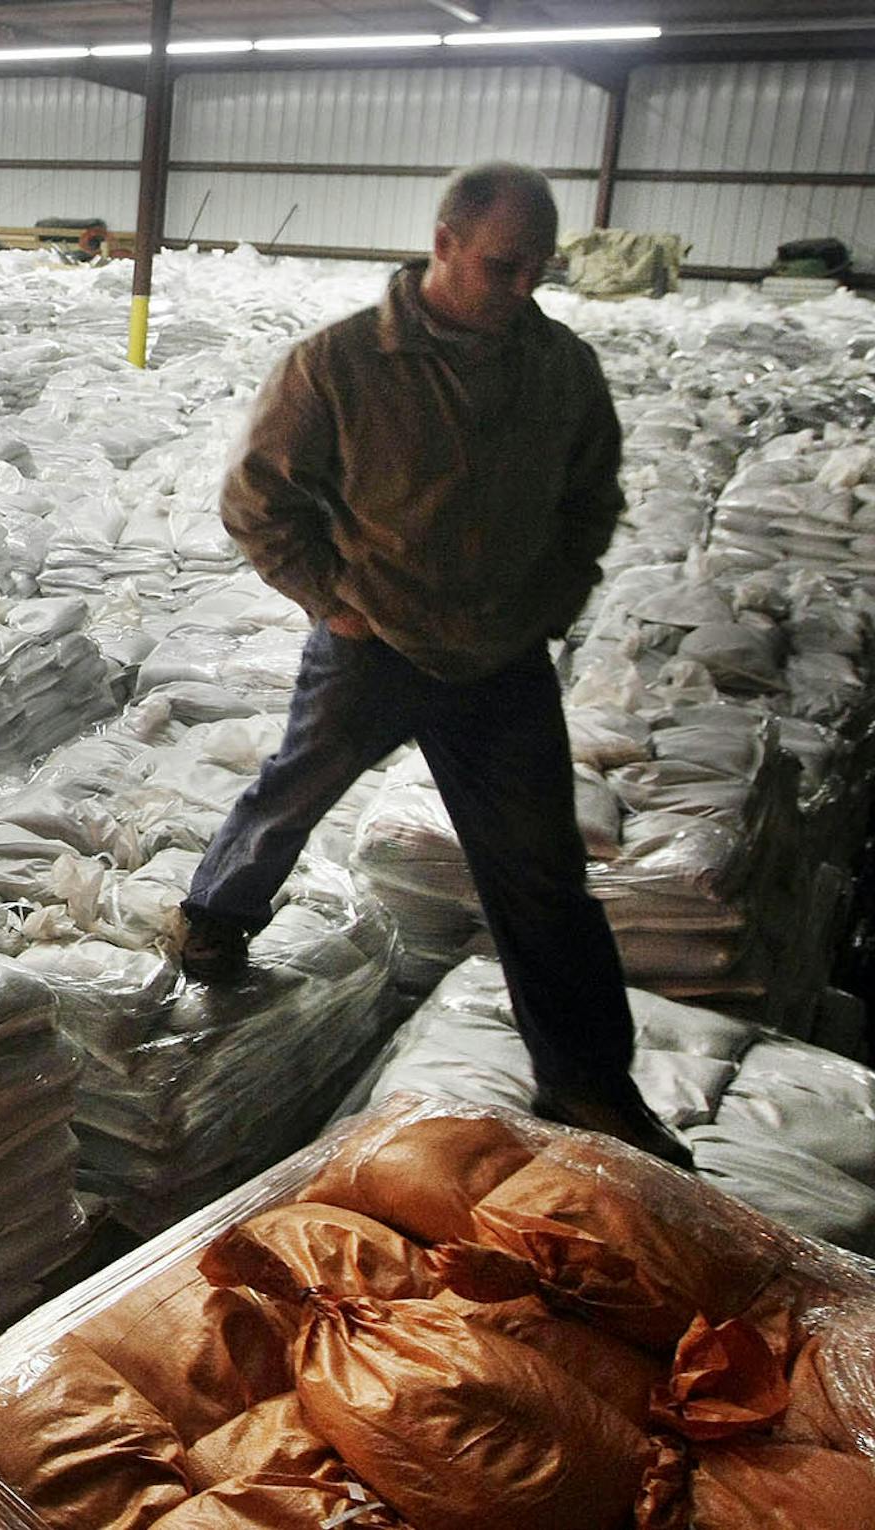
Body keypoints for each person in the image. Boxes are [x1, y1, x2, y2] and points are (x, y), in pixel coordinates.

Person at [176, 160, 693, 1169]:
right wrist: (334, 600)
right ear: (445, 242)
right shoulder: (339, 364)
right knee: (294, 791)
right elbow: (259, 500)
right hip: (376, 643)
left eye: (537, 269)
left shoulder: (559, 369)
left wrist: (553, 600)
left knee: (545, 876)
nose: (519, 290)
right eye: (502, 266)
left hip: (500, 658)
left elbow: (591, 503)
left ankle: (588, 1083)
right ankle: (212, 917)